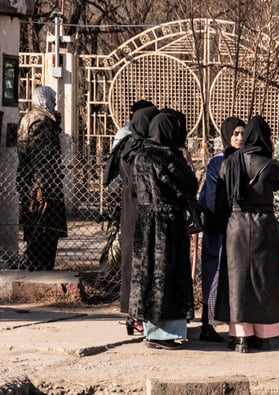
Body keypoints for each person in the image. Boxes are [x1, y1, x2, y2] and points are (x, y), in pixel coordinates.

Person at [215, 116, 279, 353]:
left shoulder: (229, 163)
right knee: (263, 280)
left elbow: (220, 200)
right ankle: (262, 334)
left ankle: (240, 338)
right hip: (264, 226)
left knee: (236, 280)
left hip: (235, 226)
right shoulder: (270, 165)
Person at [129, 111, 198, 350]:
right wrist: (186, 163)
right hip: (166, 224)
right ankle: (162, 334)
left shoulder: (140, 155)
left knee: (147, 276)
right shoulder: (166, 157)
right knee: (166, 277)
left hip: (145, 221)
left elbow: (134, 191)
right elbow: (189, 186)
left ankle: (149, 328)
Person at [103, 105, 159, 335]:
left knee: (129, 261)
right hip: (143, 209)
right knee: (146, 262)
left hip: (127, 210)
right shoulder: (145, 150)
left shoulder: (125, 146)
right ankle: (141, 315)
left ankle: (131, 313)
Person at [197, 117, 245, 342]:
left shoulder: (246, 158)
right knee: (213, 272)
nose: (239, 138)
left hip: (237, 226)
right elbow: (211, 195)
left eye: (242, 133)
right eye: (235, 133)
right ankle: (207, 323)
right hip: (218, 226)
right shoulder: (217, 161)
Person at [16, 86, 68, 271]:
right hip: (42, 186)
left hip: (29, 182)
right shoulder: (42, 122)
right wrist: (43, 189)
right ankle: (41, 267)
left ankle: (35, 264)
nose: (54, 103)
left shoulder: (29, 117)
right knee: (45, 229)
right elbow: (42, 159)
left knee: (34, 226)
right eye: (52, 100)